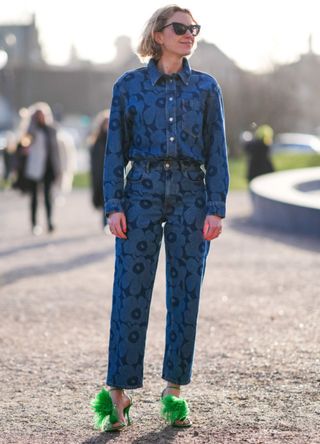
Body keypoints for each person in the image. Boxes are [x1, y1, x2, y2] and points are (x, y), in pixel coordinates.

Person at [91, 5, 229, 431]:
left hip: (191, 194)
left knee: (185, 295)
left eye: (194, 29)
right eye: (180, 28)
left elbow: (217, 149)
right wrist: (113, 204)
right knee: (129, 293)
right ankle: (118, 395)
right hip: (142, 193)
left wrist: (216, 206)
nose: (189, 34)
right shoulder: (128, 85)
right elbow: (115, 148)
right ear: (158, 34)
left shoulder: (206, 87)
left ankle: (173, 393)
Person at [23, 103, 62, 234]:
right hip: (34, 168)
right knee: (34, 197)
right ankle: (34, 223)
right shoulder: (30, 131)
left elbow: (55, 150)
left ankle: (50, 221)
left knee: (48, 196)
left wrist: (58, 168)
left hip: (48, 167)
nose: (41, 118)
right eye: (38, 115)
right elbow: (24, 147)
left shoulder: (51, 130)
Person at [88, 110, 109, 227]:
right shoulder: (96, 141)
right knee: (102, 199)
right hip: (100, 173)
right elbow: (94, 160)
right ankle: (104, 222)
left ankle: (106, 222)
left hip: (110, 173)